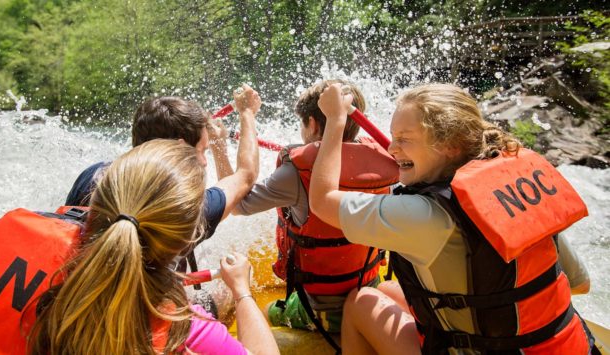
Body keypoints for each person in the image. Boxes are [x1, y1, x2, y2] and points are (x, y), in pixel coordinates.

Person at [308, 83, 595, 354]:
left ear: (452, 145)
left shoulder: (424, 215)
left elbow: (322, 201)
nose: (392, 149)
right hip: (568, 346)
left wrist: (335, 121)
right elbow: (580, 284)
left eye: (404, 139)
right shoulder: (518, 192)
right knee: (385, 289)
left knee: (360, 301)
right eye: (393, 137)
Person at [27, 139, 279, 355]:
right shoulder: (184, 327)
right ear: (189, 237)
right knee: (224, 293)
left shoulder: (31, 262)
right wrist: (241, 292)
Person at [233, 80, 398, 348]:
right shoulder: (385, 161)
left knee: (264, 312)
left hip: (322, 307)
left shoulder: (295, 173)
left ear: (311, 124)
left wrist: (223, 139)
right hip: (369, 285)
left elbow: (238, 205)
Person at [66, 85, 260, 244]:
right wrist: (247, 113)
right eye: (201, 151)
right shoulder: (185, 204)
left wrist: (214, 143)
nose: (203, 162)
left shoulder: (93, 175)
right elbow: (245, 175)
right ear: (179, 149)